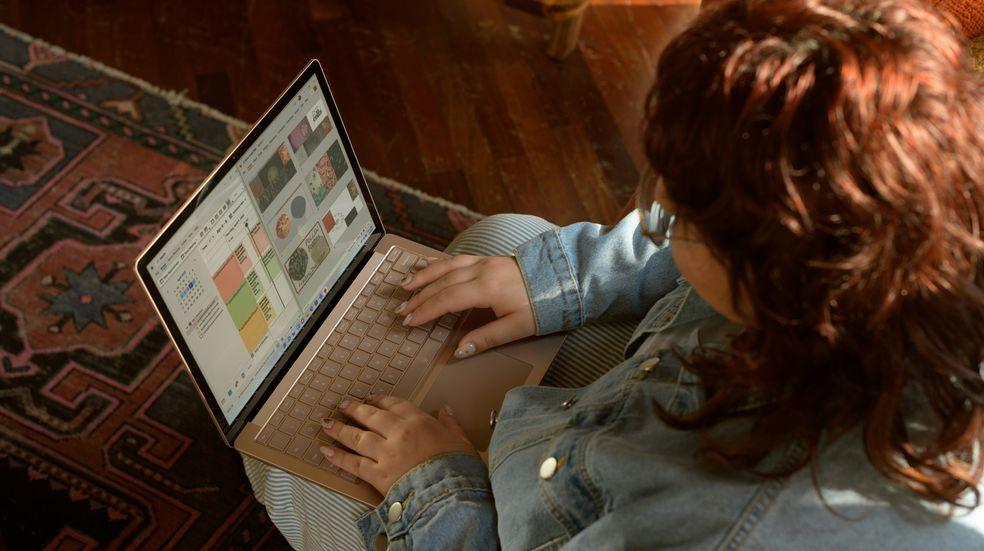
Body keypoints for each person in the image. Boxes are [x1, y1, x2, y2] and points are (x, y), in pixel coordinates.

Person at [252, 0, 984, 548]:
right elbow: (680, 251)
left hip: (564, 512)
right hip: (595, 446)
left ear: (775, 278)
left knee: (285, 462)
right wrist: (555, 279)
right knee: (504, 241)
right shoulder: (915, 241)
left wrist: (436, 488)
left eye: (675, 213)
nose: (655, 215)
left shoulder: (732, 522)